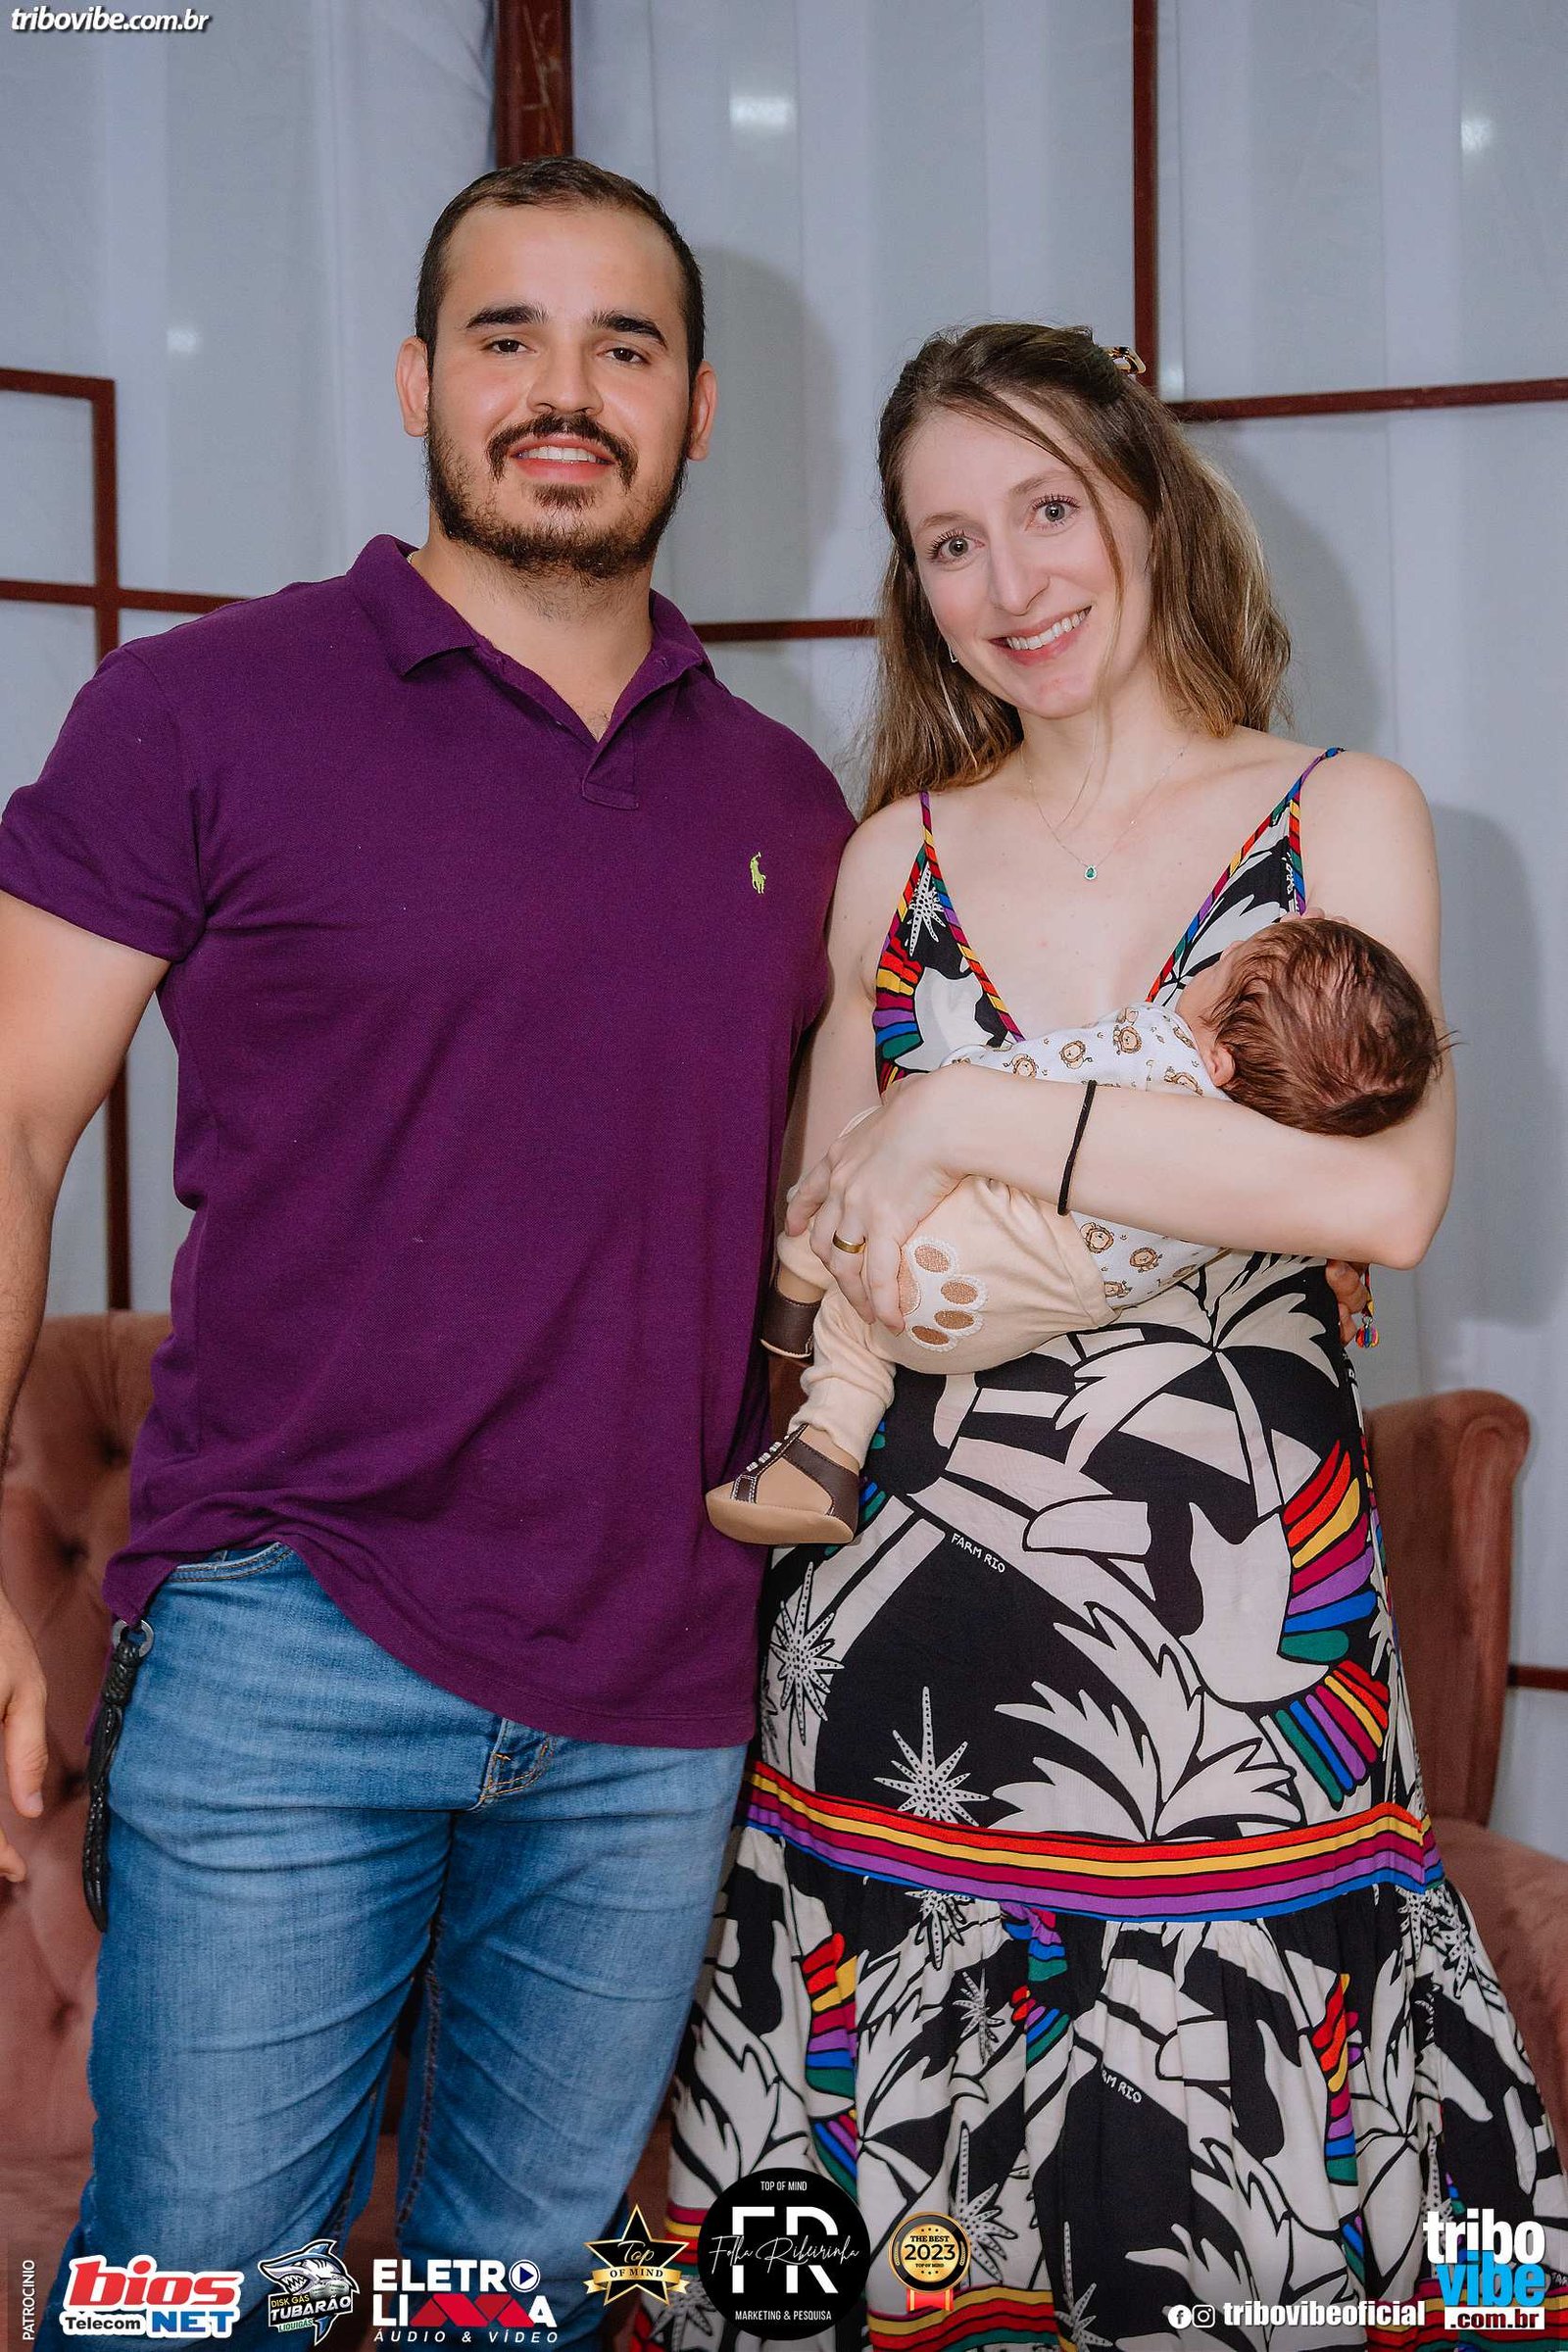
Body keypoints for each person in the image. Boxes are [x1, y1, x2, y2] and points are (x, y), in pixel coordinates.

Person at [639, 325, 1567, 2350]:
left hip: (1238, 1683)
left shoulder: (1337, 814)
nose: (1012, 582)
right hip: (888, 1680)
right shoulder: (891, 858)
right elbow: (820, 1252)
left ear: (1146, 501)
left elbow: (1380, 1198)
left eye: (1048, 508)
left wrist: (974, 1115)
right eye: (949, 541)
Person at [0, 159, 851, 2348]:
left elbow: (841, 1214)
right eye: (506, 337)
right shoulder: (198, 711)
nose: (565, 391)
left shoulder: (789, 802)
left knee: (519, 2302)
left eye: (623, 346)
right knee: (197, 2304)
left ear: (697, 407)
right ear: (414, 381)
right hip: (287, 1641)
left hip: (659, 1682)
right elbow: (10, 1119)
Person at [709, 914, 1445, 1547]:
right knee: (869, 1327)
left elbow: (1024, 1076)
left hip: (978, 1243)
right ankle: (824, 1458)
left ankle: (796, 1300)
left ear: (1218, 1060)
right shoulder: (1269, 1171)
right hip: (1018, 1311)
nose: (1203, 971)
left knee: (864, 1152)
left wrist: (941, 1096)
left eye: (1218, 968)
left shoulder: (1156, 1047)